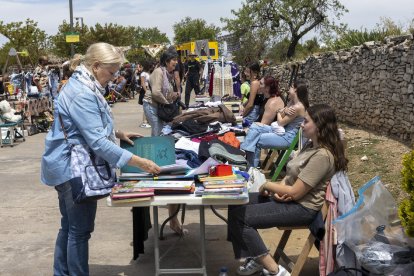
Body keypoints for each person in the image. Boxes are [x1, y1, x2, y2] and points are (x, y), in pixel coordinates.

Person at [41, 42, 161, 276]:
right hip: (72, 168)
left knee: (69, 227)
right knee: (79, 230)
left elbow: (88, 126)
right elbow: (96, 142)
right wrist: (138, 161)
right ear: (96, 66)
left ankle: (62, 272)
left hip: (66, 165)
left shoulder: (84, 85)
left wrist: (118, 133)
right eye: (111, 71)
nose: (114, 77)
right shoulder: (82, 92)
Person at [228, 104, 348, 276]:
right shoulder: (310, 146)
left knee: (241, 218)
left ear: (319, 126)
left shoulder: (322, 155)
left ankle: (274, 270)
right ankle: (255, 256)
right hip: (292, 200)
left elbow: (296, 192)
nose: (301, 124)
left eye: (306, 121)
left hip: (303, 208)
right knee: (235, 202)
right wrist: (280, 189)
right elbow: (291, 176)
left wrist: (268, 185)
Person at [142, 47, 185, 234]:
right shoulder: (159, 72)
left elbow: (165, 92)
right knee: (159, 135)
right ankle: (154, 166)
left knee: (160, 135)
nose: (175, 63)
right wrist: (168, 102)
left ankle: (156, 164)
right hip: (153, 106)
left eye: (176, 60)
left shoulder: (167, 73)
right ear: (166, 60)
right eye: (173, 60)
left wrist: (174, 95)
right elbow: (157, 92)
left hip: (158, 106)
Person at [241, 79, 309, 168]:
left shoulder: (297, 107)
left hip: (288, 137)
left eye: (291, 87)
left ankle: (252, 167)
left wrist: (279, 111)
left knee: (255, 139)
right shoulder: (291, 102)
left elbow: (280, 122)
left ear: (296, 90)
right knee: (255, 126)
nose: (289, 88)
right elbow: (282, 114)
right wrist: (283, 110)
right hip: (282, 131)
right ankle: (246, 153)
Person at [139, 61, 155, 128]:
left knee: (148, 106)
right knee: (145, 106)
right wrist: (146, 91)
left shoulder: (148, 73)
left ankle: (147, 121)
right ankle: (144, 122)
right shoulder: (143, 73)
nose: (152, 67)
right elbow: (142, 83)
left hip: (148, 90)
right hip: (145, 90)